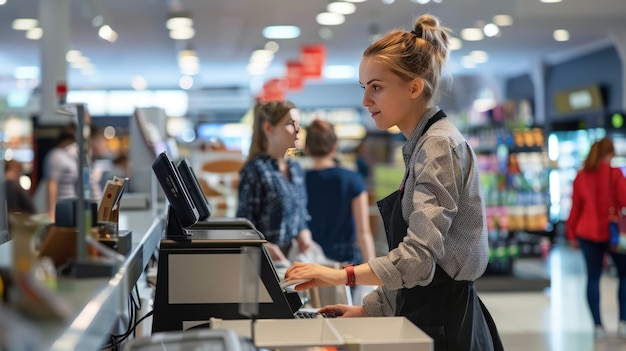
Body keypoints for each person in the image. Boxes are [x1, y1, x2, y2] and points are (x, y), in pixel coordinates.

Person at [285, 14, 502, 350]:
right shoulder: (423, 145)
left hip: (444, 326)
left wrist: (341, 275)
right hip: (428, 316)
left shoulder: (438, 146)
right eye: (365, 88)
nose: (365, 101)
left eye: (376, 87)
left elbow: (418, 259)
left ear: (414, 87)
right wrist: (365, 310)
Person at [236, 100, 313, 264]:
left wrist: (303, 232)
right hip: (263, 265)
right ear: (269, 129)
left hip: (293, 260)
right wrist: (265, 247)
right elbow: (243, 226)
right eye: (291, 124)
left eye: (298, 123)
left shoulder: (296, 170)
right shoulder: (255, 170)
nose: (298, 129)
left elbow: (300, 214)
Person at [566, 137, 626, 339]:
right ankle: (623, 322)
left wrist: (571, 233)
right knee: (624, 276)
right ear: (609, 154)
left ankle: (598, 327)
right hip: (613, 235)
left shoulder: (581, 176)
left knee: (593, 278)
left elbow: (575, 208)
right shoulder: (615, 174)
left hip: (587, 233)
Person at [304, 119, 376, 265]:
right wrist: (372, 270)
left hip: (311, 260)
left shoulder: (300, 180)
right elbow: (364, 232)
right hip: (346, 262)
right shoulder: (352, 179)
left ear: (307, 149)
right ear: (334, 148)